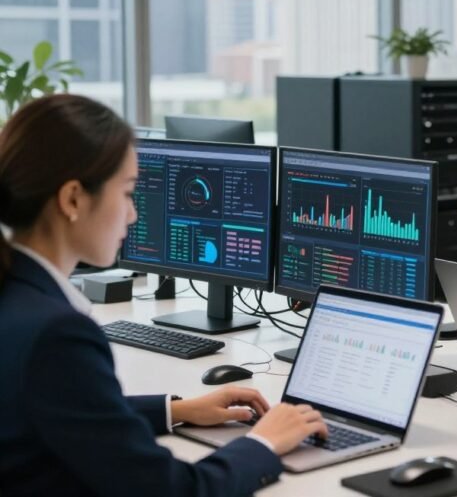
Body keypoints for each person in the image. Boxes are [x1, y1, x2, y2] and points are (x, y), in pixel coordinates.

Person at [0, 95, 328, 496]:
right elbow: (173, 491)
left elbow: (66, 409)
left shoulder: (16, 294)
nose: (134, 214)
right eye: (127, 193)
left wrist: (177, 410)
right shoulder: (57, 333)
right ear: (72, 199)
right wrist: (264, 442)